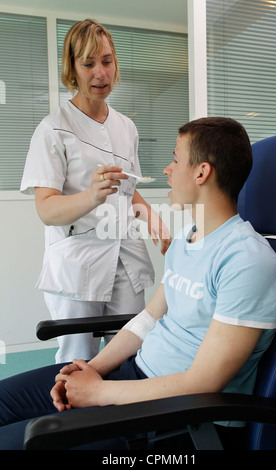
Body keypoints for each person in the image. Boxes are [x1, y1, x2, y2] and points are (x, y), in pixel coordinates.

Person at [0, 117, 276, 450]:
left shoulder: (248, 262)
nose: (168, 169)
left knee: (17, 442)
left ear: (201, 172)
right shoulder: (187, 239)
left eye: (176, 159)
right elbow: (149, 318)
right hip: (135, 378)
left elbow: (204, 383)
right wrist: (88, 369)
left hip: (179, 418)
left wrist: (98, 392)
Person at [20, 19, 171, 363]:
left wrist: (151, 218)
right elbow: (46, 209)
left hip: (125, 258)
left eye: (106, 61)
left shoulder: (126, 126)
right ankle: (73, 418)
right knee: (78, 360)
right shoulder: (52, 129)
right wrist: (91, 195)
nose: (100, 73)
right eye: (88, 64)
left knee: (132, 351)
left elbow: (129, 190)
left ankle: (126, 415)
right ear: (72, 69)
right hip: (79, 263)